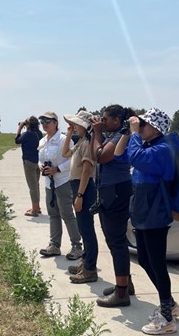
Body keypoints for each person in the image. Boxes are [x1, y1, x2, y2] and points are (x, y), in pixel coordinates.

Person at [115, 107, 179, 335]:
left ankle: (166, 315)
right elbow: (118, 153)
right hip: (144, 213)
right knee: (144, 260)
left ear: (155, 127)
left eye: (143, 123)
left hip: (156, 214)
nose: (139, 127)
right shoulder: (146, 145)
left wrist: (134, 133)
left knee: (157, 263)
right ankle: (170, 304)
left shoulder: (163, 149)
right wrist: (128, 132)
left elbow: (135, 158)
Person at [87, 105, 135, 307]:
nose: (102, 122)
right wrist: (96, 134)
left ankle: (122, 293)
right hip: (110, 190)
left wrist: (97, 132)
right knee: (116, 239)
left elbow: (101, 156)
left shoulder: (119, 137)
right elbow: (94, 152)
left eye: (106, 119)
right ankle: (125, 284)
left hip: (116, 191)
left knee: (116, 241)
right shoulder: (114, 135)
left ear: (117, 120)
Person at [37, 111, 84, 261]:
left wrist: (57, 169)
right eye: (42, 121)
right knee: (53, 214)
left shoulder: (65, 139)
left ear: (55, 123)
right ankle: (54, 245)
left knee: (67, 214)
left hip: (63, 181)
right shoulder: (43, 141)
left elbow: (72, 160)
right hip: (49, 183)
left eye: (47, 121)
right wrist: (41, 167)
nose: (44, 124)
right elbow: (40, 159)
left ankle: (77, 246)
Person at [62, 110, 99, 283]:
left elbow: (86, 170)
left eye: (76, 125)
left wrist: (79, 195)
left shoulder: (88, 143)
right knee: (83, 229)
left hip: (83, 188)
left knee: (87, 230)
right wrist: (69, 134)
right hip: (78, 187)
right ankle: (85, 262)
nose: (74, 127)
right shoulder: (82, 141)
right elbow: (65, 153)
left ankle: (90, 268)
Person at [15, 116, 43, 217]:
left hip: (29, 162)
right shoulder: (39, 133)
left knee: (32, 187)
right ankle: (37, 207)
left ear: (29, 125)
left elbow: (17, 140)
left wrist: (20, 127)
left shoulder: (27, 134)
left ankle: (34, 210)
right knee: (36, 185)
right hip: (38, 162)